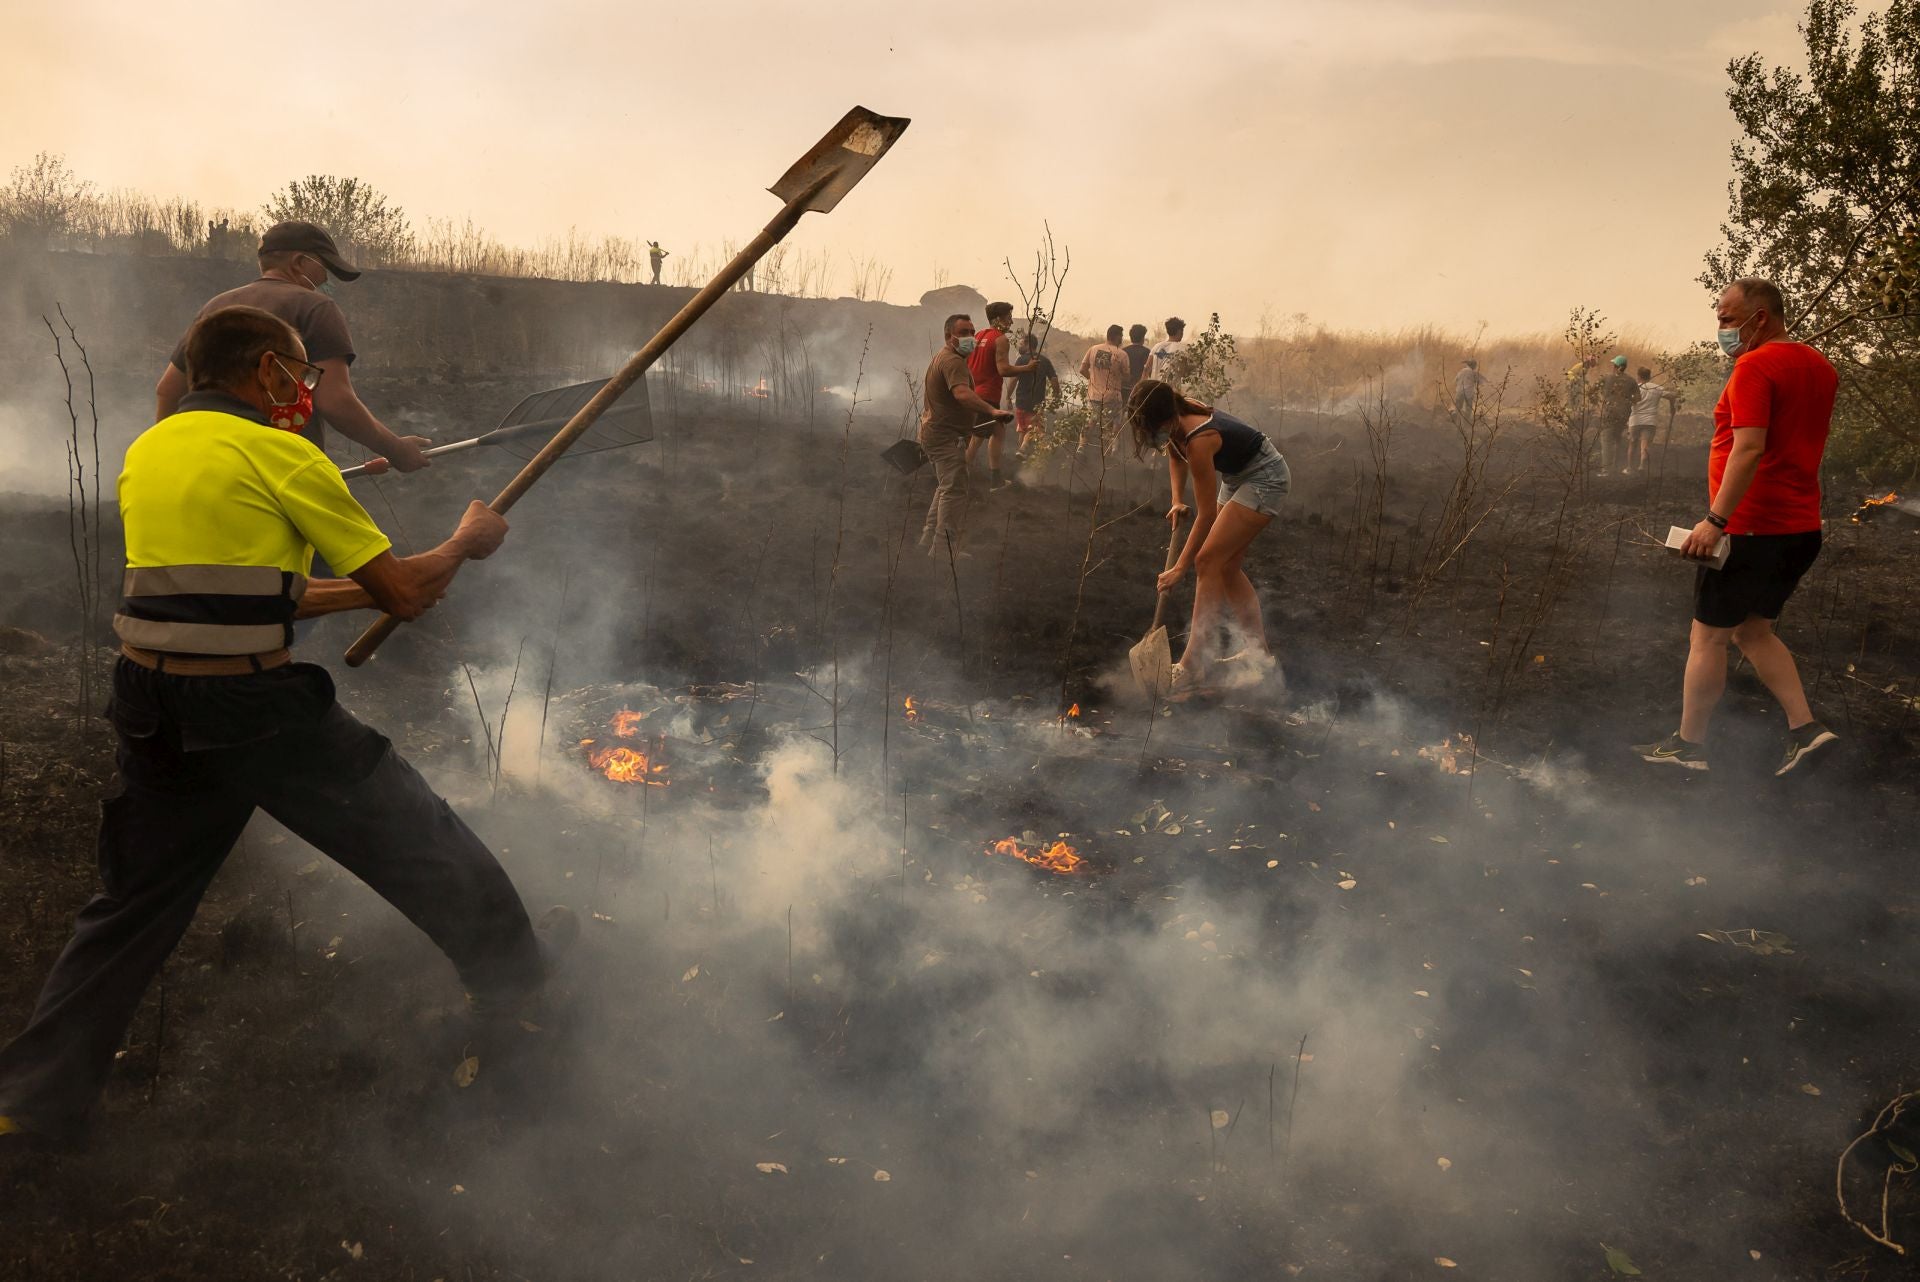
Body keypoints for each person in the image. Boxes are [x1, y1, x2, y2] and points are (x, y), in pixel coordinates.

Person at [0, 306, 574, 1153]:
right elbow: (406, 594)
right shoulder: (284, 453)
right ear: (266, 371)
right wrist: (462, 543)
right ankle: (523, 1004)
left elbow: (263, 591)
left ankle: (29, 1108)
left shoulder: (148, 448)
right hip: (256, 713)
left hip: (151, 704)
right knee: (424, 839)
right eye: (300, 375)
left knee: (128, 909)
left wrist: (379, 584)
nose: (305, 393)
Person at [1635, 277, 1839, 776]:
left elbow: (1749, 448)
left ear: (1760, 317)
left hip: (1750, 529)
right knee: (1754, 631)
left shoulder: (1754, 365)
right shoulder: (1819, 365)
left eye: (1727, 319)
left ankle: (1689, 746)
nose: (1721, 329)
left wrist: (1715, 521)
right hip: (1800, 527)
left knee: (1708, 638)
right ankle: (1807, 731)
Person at [155, 221, 430, 474]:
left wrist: (169, 457)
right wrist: (395, 449)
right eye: (324, 268)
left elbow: (168, 389)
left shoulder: (215, 307)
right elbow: (334, 400)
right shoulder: (315, 307)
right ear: (300, 262)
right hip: (283, 470)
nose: (326, 279)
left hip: (209, 465)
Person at [1127, 378, 1291, 691]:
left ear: (1166, 418)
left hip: (1265, 478)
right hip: (1239, 475)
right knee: (1225, 566)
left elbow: (1206, 516)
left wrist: (1179, 568)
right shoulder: (1176, 416)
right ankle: (1260, 659)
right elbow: (1175, 453)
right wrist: (1177, 499)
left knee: (1207, 562)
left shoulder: (1200, 440)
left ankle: (1191, 667)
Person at [920, 314, 1015, 554]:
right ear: (948, 336)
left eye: (972, 332)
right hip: (944, 436)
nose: (970, 338)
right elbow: (962, 394)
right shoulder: (953, 362)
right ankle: (942, 549)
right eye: (963, 333)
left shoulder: (945, 357)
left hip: (939, 433)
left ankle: (928, 538)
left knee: (945, 487)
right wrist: (991, 409)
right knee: (954, 490)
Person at [964, 301, 1038, 490]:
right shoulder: (1000, 339)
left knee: (994, 432)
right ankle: (961, 476)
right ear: (998, 319)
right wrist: (1027, 368)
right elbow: (1003, 369)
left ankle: (993, 478)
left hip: (973, 392)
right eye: (1008, 318)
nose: (1011, 322)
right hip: (987, 395)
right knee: (978, 437)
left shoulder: (978, 335)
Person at [1079, 325, 1133, 443]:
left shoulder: (1093, 349)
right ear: (1117, 337)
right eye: (1121, 336)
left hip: (1094, 395)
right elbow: (1127, 377)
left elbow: (1082, 370)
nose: (1122, 339)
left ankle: (1081, 447)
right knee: (1116, 421)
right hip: (1113, 396)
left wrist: (1093, 380)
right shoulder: (1121, 354)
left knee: (1091, 421)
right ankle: (1113, 449)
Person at [1010, 331, 1060, 458]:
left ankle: (1021, 456)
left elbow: (1013, 379)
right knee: (1034, 428)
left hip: (1020, 402)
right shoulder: (1044, 361)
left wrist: (1007, 397)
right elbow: (1054, 379)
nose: (1019, 346)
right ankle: (1023, 449)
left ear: (1028, 344)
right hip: (1036, 403)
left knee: (1023, 430)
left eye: (1021, 343)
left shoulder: (1021, 360)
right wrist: (1056, 395)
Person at [1598, 354, 1639, 475]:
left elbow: (1592, 390)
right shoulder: (1631, 380)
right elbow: (1638, 398)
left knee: (1606, 441)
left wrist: (1604, 397)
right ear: (1624, 367)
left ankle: (1606, 470)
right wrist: (1627, 401)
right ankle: (1616, 468)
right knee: (1618, 440)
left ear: (1615, 366)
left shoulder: (1607, 377)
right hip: (1623, 414)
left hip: (1609, 413)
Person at [1628, 366, 1667, 474]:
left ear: (1638, 376)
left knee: (1632, 443)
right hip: (1650, 421)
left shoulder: (1635, 388)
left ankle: (1629, 468)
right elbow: (1671, 396)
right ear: (1649, 376)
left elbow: (1627, 399)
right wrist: (1673, 404)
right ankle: (1641, 466)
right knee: (1645, 445)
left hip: (1635, 420)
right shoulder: (1657, 388)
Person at [1146, 317, 1188, 383]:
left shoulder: (1157, 347)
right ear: (1180, 331)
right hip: (1172, 390)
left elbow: (1147, 368)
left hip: (1155, 387)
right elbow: (1183, 371)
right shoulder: (1183, 348)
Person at [1123, 324, 1152, 393]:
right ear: (1143, 338)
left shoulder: (1123, 351)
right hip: (1139, 389)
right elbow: (1149, 371)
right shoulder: (1147, 352)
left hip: (1124, 387)